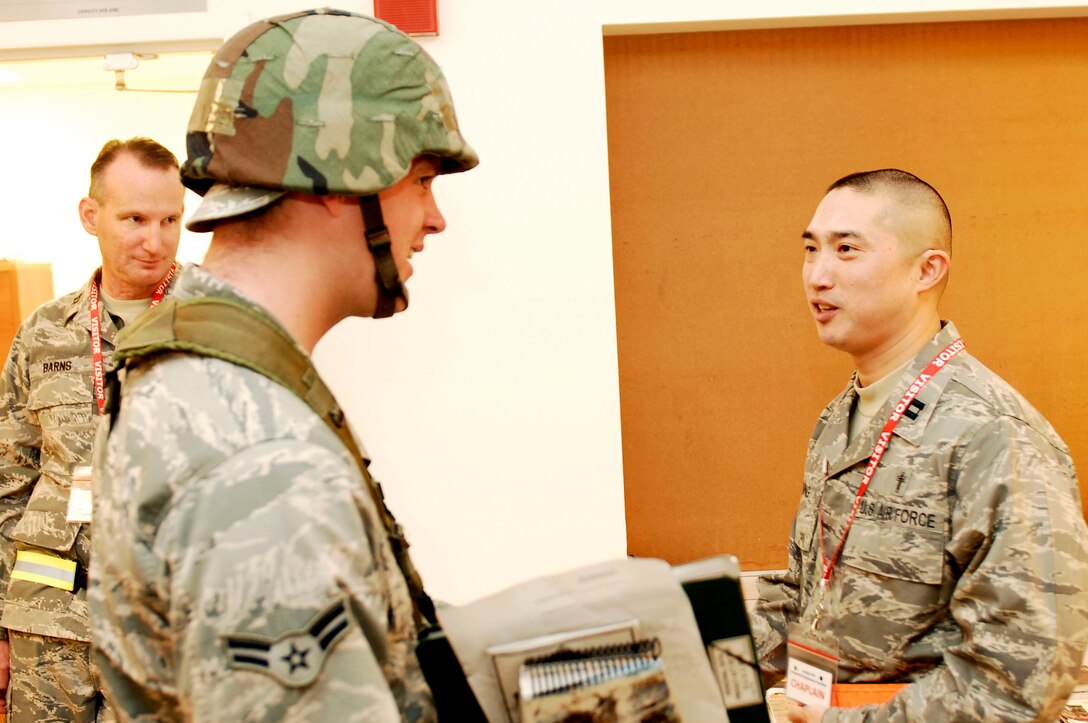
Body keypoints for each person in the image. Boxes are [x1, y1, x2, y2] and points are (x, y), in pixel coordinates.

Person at [88, 9, 477, 721]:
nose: (435, 217)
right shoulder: (259, 459)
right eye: (421, 178)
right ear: (338, 178)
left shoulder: (198, 373)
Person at [752, 169, 1088, 722]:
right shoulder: (841, 418)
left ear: (926, 270)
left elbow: (1018, 686)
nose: (817, 275)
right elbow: (805, 600)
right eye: (811, 249)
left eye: (847, 250)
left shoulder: (993, 434)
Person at [0, 136, 184, 721]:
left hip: (170, 634)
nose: (153, 241)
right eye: (134, 219)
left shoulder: (219, 319)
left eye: (170, 220)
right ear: (91, 215)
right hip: (48, 630)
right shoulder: (45, 331)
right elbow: (9, 480)